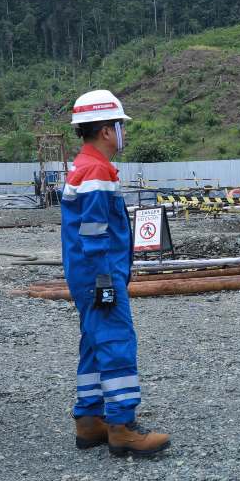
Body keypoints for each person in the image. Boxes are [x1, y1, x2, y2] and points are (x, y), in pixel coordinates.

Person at [63, 90, 169, 458]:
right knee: (116, 340)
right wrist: (105, 281)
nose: (123, 132)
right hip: (99, 274)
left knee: (94, 342)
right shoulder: (96, 170)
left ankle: (89, 419)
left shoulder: (86, 165)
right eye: (120, 126)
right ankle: (122, 426)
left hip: (89, 274)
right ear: (106, 131)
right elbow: (94, 235)